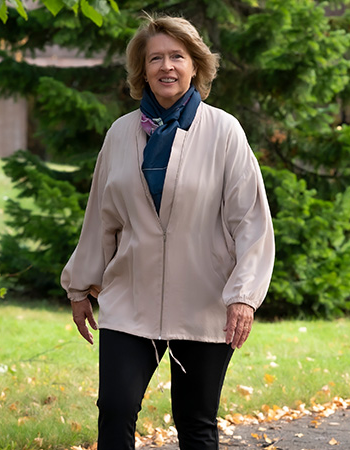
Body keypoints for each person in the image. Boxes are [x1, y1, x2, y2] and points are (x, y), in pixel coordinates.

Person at [60, 15, 275, 450]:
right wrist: (79, 286)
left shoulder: (223, 131)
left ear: (196, 65)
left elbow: (250, 220)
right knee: (115, 411)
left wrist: (243, 296)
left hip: (204, 301)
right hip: (130, 299)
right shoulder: (120, 134)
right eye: (155, 58)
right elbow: (101, 218)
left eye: (177, 56)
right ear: (143, 70)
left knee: (195, 422)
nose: (166, 66)